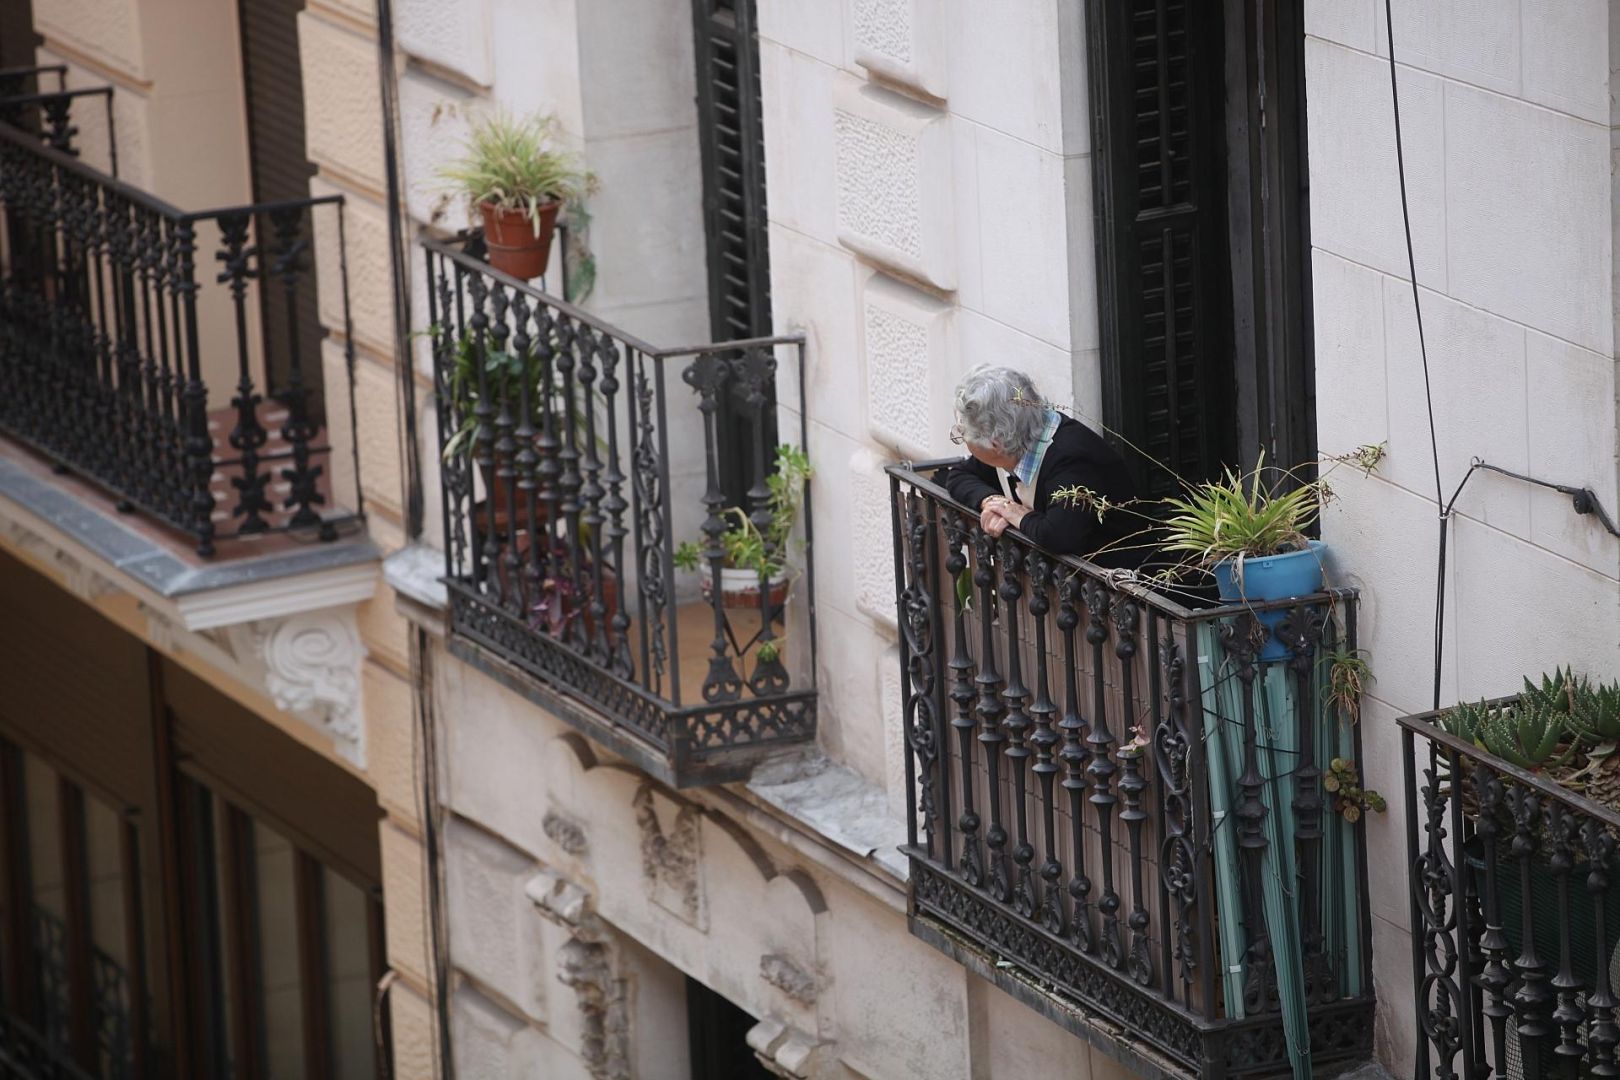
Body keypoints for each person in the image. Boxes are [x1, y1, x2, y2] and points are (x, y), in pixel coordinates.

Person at [939, 365, 1142, 566]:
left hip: (1124, 587)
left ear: (995, 444)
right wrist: (995, 502)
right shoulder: (1015, 440)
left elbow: (1060, 536)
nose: (962, 437)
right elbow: (958, 476)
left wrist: (1018, 515)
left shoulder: (1071, 460)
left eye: (961, 433)